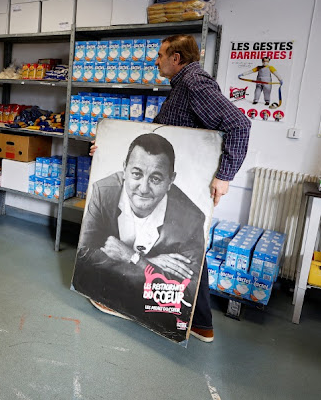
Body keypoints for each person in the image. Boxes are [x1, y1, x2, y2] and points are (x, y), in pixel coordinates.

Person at [86, 34, 251, 344]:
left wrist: (225, 175)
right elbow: (156, 137)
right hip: (172, 183)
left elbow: (239, 125)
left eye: (161, 55)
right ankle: (200, 323)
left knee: (181, 246)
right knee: (190, 250)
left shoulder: (194, 82)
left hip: (179, 185)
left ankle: (177, 315)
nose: (156, 60)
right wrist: (107, 147)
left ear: (176, 58)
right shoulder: (183, 86)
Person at [74, 133, 205, 336]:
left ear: (171, 180)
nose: (143, 188)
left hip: (151, 316)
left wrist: (135, 259)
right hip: (110, 300)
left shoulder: (191, 220)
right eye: (136, 174)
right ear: (124, 169)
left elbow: (187, 293)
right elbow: (83, 257)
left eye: (156, 178)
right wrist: (152, 265)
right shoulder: (103, 191)